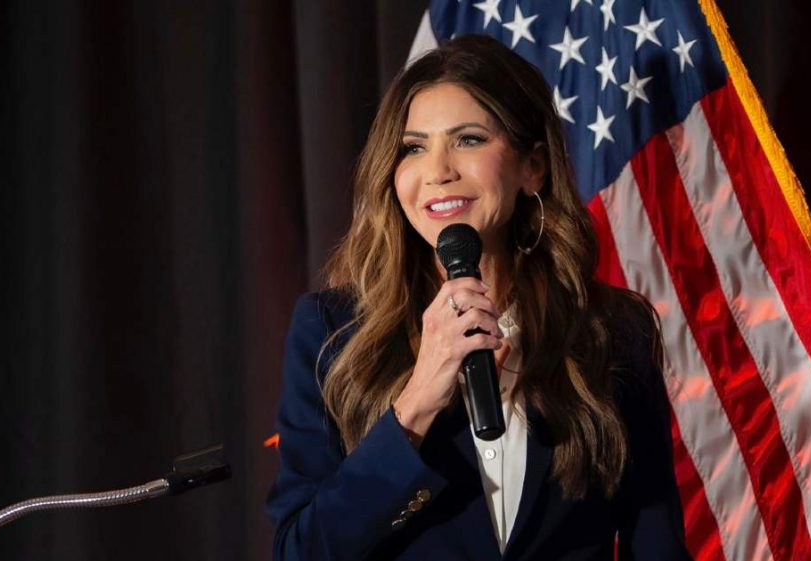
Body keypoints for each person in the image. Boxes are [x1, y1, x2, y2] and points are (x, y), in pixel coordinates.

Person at [266, 34, 691, 561]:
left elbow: (657, 543)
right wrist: (418, 399)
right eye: (414, 147)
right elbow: (300, 552)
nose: (438, 171)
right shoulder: (331, 331)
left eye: (468, 139)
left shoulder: (612, 330)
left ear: (532, 167)